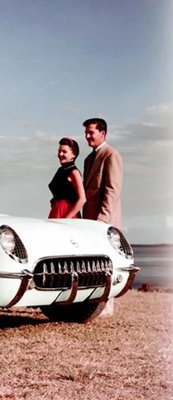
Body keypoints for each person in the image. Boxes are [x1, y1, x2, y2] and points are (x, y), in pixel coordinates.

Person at [82, 117, 123, 316]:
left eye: (91, 132)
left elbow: (112, 189)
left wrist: (103, 219)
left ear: (103, 133)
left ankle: (107, 306)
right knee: (94, 263)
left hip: (105, 221)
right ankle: (94, 304)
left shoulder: (111, 155)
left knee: (108, 262)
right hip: (90, 221)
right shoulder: (88, 159)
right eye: (86, 133)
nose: (87, 136)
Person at [48, 137, 86, 219]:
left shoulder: (74, 172)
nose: (60, 154)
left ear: (74, 154)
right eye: (59, 151)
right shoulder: (60, 170)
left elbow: (82, 199)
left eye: (64, 151)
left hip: (67, 214)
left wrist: (67, 218)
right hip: (56, 211)